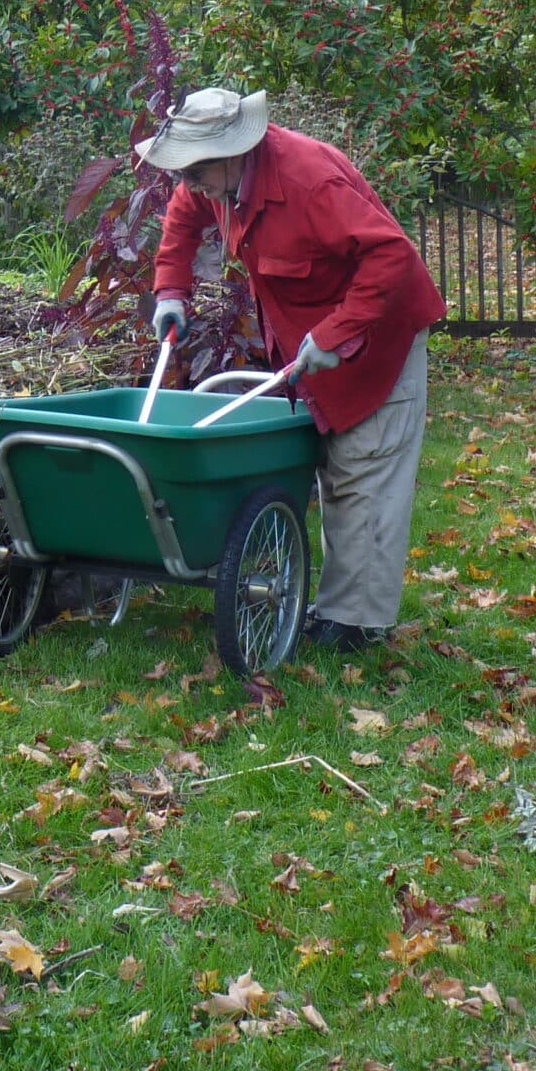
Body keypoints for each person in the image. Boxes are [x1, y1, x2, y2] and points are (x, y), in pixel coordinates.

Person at [137, 87, 445, 651]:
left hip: (378, 335)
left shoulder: (307, 180)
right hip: (311, 331)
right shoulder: (214, 181)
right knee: (331, 465)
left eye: (196, 171)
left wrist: (336, 334)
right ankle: (337, 605)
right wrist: (170, 293)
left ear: (235, 153)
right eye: (183, 172)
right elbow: (181, 224)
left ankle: (356, 626)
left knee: (363, 470)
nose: (189, 184)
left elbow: (392, 257)